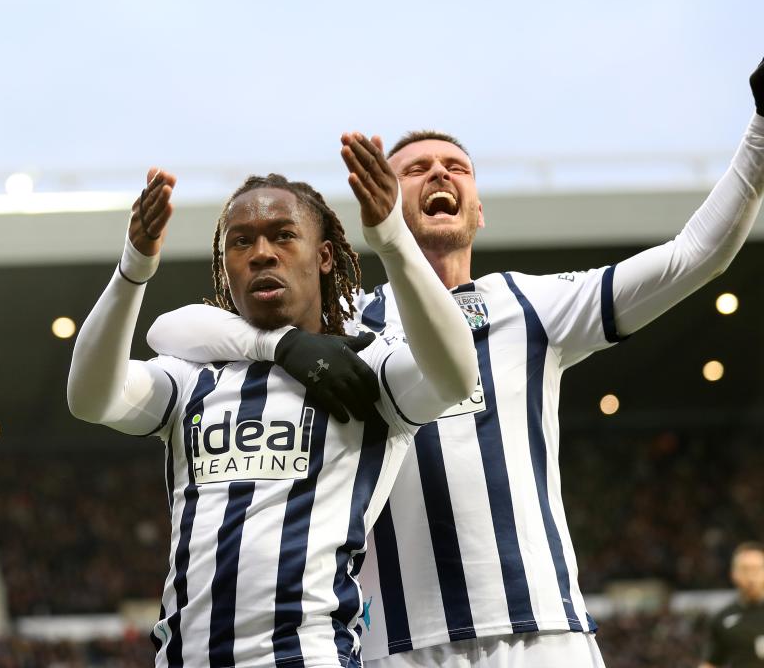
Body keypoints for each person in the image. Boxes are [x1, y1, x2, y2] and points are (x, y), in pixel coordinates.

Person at [146, 57, 764, 667]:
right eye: (415, 168)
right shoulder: (350, 322)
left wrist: (761, 130)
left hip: (543, 635)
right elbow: (175, 328)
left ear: (477, 208)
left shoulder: (534, 304)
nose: (439, 172)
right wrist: (278, 344)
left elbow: (694, 257)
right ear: (379, 200)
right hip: (398, 645)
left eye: (456, 167)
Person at [66, 151, 478, 668]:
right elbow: (89, 397)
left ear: (325, 256)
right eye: (241, 242)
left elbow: (457, 375)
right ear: (225, 266)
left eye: (284, 235)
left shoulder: (365, 368)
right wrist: (134, 267)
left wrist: (393, 238)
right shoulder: (194, 377)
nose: (262, 253)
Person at [700, 542, 764, 668]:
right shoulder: (722, 619)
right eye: (745, 569)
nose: (751, 576)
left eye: (757, 569)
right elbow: (712, 663)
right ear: (734, 573)